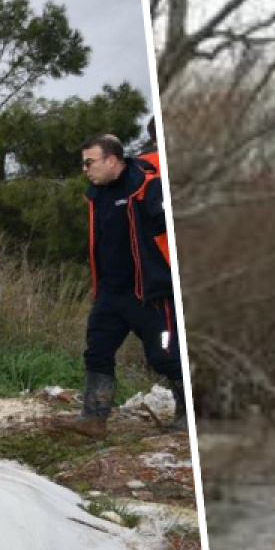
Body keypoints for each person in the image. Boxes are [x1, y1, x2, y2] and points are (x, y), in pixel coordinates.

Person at [70, 133, 186, 437]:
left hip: (148, 293)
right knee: (97, 352)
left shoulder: (147, 187)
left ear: (111, 160)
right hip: (109, 293)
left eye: (89, 162)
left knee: (166, 357)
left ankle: (189, 416)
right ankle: (93, 419)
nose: (85, 169)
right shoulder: (95, 194)